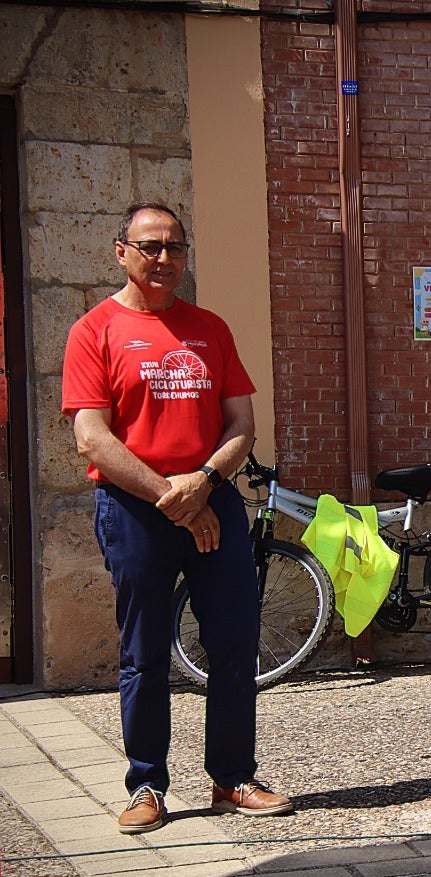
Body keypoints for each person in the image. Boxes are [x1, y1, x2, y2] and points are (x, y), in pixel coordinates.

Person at [61, 202, 292, 833]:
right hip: (137, 506)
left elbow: (242, 424)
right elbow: (92, 439)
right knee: (143, 651)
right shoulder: (94, 331)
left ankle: (233, 778)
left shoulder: (210, 329)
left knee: (235, 641)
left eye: (175, 247)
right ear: (121, 251)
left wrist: (205, 483)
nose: (164, 258)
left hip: (210, 494)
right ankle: (146, 785)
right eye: (150, 246)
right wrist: (175, 497)